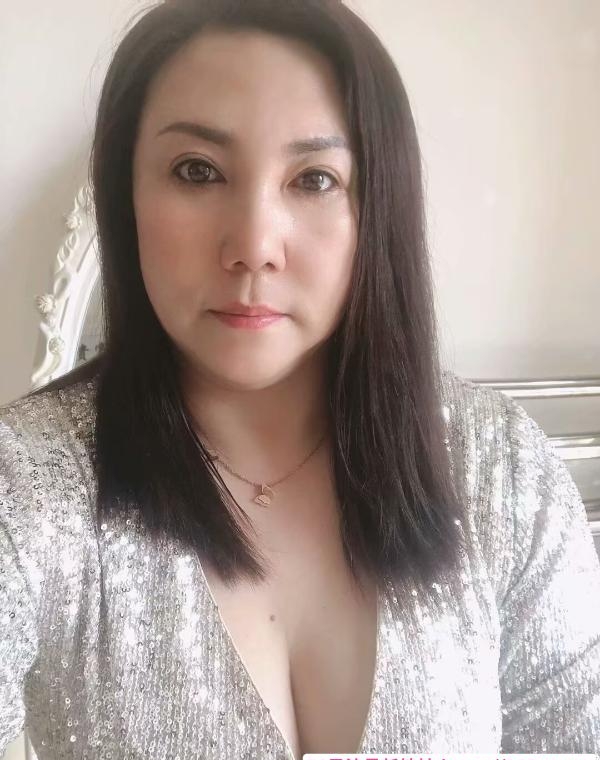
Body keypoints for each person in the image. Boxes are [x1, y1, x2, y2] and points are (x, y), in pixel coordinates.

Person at [1, 0, 599, 757]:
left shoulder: (502, 472)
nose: (254, 245)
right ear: (127, 197)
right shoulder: (27, 486)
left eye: (314, 179)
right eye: (197, 171)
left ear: (376, 209)